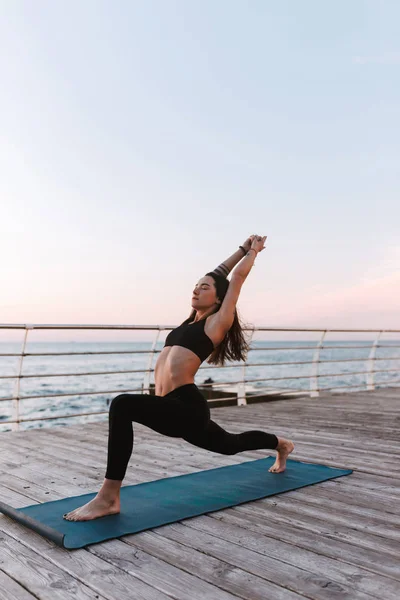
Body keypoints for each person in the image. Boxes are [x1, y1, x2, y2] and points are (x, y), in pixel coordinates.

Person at [64, 234, 294, 521]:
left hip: (187, 406)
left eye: (204, 287)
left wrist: (253, 253)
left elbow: (234, 279)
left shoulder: (217, 322)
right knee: (229, 445)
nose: (196, 290)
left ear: (219, 297)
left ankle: (108, 498)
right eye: (195, 286)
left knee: (122, 404)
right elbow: (219, 273)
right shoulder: (188, 322)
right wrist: (240, 249)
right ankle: (280, 444)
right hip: (169, 406)